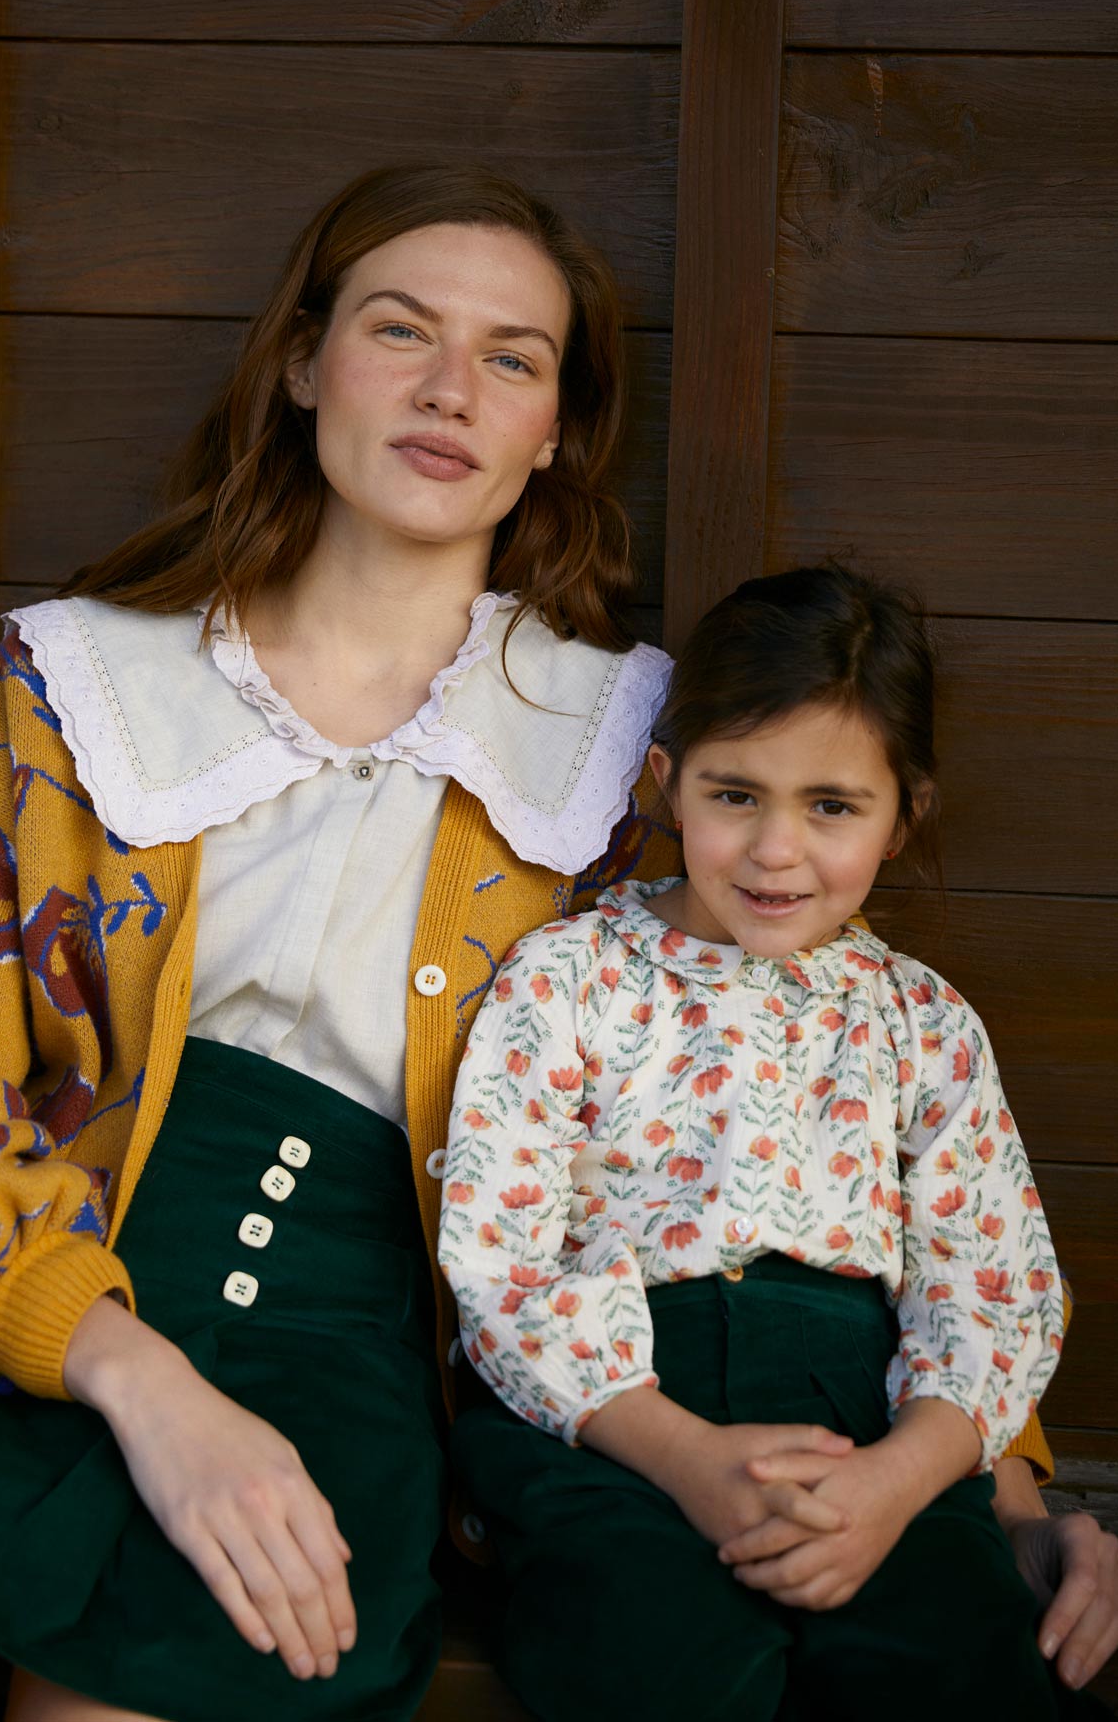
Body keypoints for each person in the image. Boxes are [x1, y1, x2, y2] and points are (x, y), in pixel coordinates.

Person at [0, 169, 1108, 1722]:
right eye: (403, 331)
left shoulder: (640, 754)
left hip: (346, 1358)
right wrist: (124, 1365)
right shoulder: (75, 682)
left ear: (559, 427)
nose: (453, 390)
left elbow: (806, 1102)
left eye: (513, 357)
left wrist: (1012, 1488)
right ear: (306, 361)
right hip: (6, 1293)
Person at [440, 564, 1112, 1720]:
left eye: (831, 806)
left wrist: (897, 1484)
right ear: (666, 784)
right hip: (617, 1414)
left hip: (866, 1416)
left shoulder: (921, 1021)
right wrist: (680, 1456)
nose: (773, 850)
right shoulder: (566, 978)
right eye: (734, 794)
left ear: (904, 813)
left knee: (960, 1674)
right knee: (648, 1659)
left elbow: (990, 1286)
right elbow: (501, 1259)